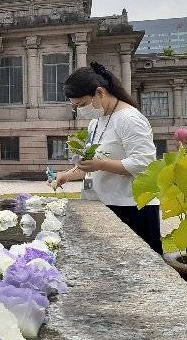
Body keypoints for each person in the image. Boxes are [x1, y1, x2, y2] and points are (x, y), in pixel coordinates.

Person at [55, 62, 162, 254]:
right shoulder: (96, 122)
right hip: (105, 203)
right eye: (76, 106)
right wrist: (67, 175)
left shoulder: (129, 119)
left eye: (82, 104)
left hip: (132, 207)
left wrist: (100, 164)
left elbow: (144, 163)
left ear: (100, 92)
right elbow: (92, 161)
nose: (80, 110)